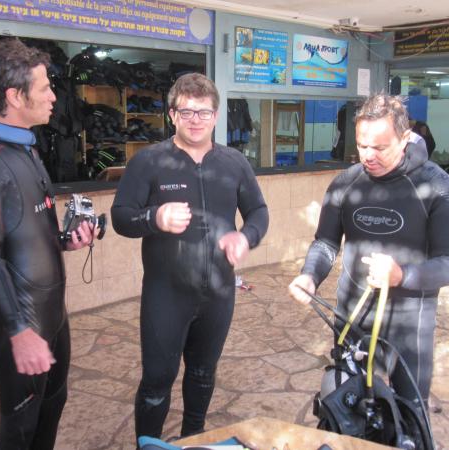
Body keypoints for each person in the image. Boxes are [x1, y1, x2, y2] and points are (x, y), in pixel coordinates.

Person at [0, 38, 99, 449]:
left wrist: (66, 241)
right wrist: (19, 331)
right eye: (44, 89)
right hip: (22, 320)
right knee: (19, 428)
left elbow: (31, 233)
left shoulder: (26, 149)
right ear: (14, 96)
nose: (54, 96)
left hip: (52, 313)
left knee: (52, 406)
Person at [111, 73, 269, 443]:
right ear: (171, 114)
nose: (195, 120)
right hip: (166, 294)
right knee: (156, 381)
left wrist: (246, 238)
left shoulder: (234, 163)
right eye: (186, 111)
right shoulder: (149, 162)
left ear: (216, 116)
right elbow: (120, 216)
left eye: (203, 112)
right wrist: (155, 217)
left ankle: (192, 438)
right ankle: (147, 444)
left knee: (202, 374)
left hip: (218, 293)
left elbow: (259, 211)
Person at [288, 94, 449, 407]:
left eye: (380, 147)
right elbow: (326, 242)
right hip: (352, 315)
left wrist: (403, 275)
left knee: (409, 416)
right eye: (361, 145)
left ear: (405, 137)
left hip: (409, 323)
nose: (368, 155)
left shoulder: (438, 188)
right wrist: (309, 276)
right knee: (346, 410)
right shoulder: (346, 184)